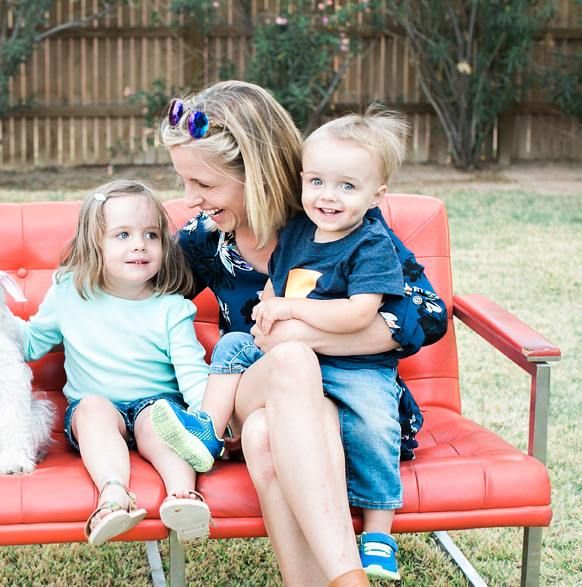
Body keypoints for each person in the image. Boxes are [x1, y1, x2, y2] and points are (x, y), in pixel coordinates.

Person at [154, 81, 447, 587]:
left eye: (203, 183)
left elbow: (427, 312)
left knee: (266, 431)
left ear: (256, 172)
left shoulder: (334, 215)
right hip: (253, 385)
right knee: (289, 364)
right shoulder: (206, 239)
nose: (189, 199)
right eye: (185, 181)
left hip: (335, 401)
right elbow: (144, 296)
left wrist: (304, 337)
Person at [16, 179, 214, 547]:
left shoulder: (171, 307)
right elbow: (30, 343)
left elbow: (192, 373)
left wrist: (210, 422)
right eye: (123, 235)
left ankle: (183, 497)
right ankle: (113, 497)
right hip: (96, 411)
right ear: (94, 243)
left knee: (161, 420)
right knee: (93, 408)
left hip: (156, 406)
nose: (140, 244)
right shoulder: (70, 291)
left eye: (151, 234)